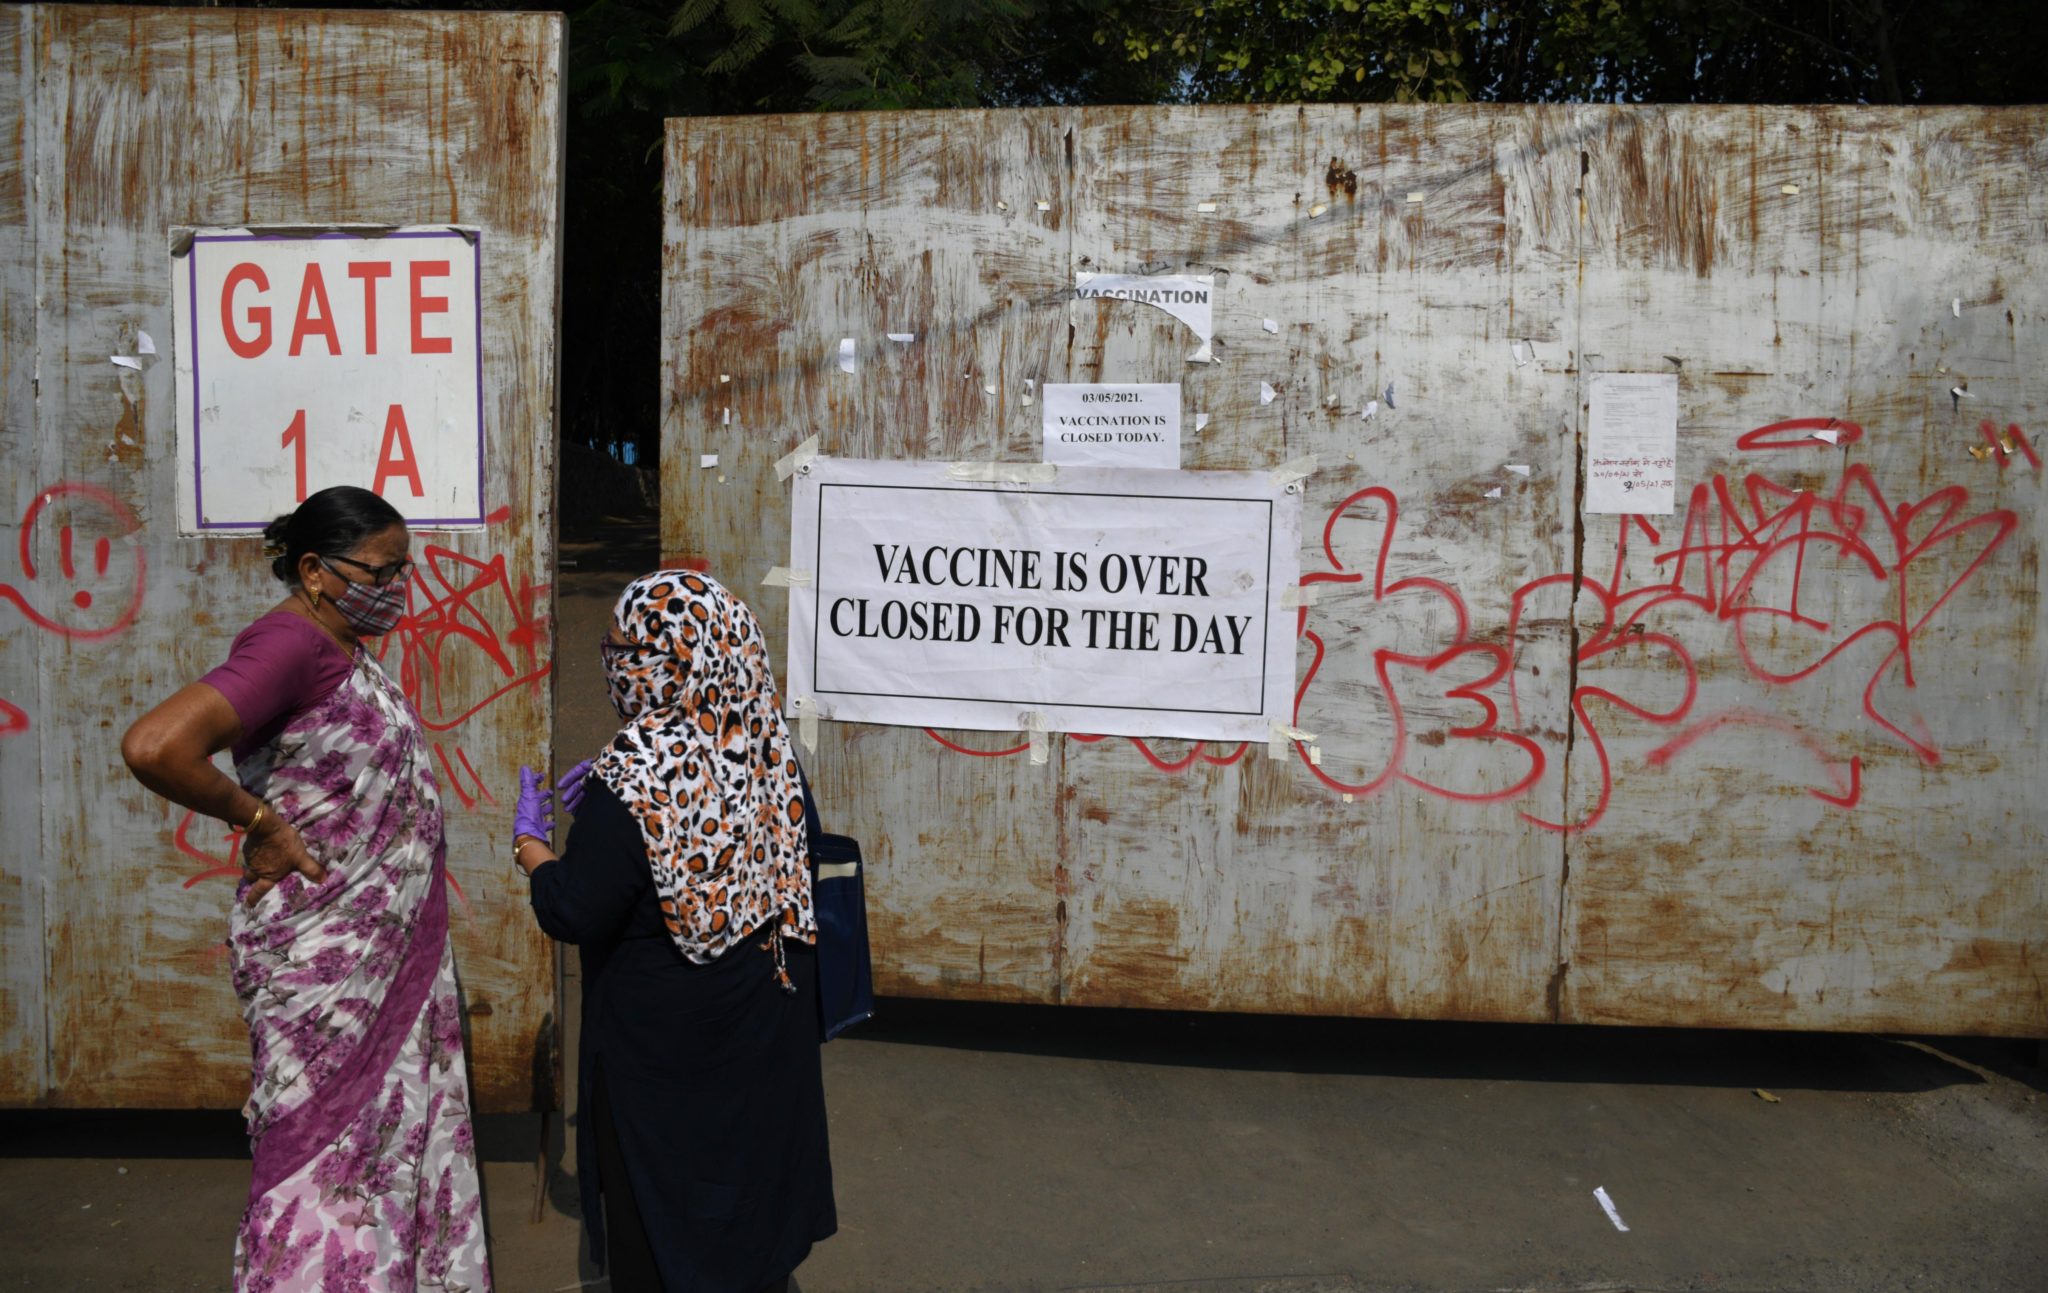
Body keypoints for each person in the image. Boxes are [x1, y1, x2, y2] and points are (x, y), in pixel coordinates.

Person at [121, 485, 493, 1293]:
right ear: (317, 570)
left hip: (381, 956)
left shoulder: (342, 645)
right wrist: (260, 820)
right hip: (326, 964)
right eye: (382, 569)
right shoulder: (288, 644)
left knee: (381, 1153)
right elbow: (156, 746)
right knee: (327, 1155)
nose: (398, 587)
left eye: (405, 569)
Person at [512, 569, 835, 1293]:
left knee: (670, 1227)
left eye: (624, 648)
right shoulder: (760, 734)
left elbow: (573, 907)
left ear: (669, 663)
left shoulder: (634, 776)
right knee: (749, 1204)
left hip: (667, 1056)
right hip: (763, 1025)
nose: (614, 661)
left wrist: (531, 845)